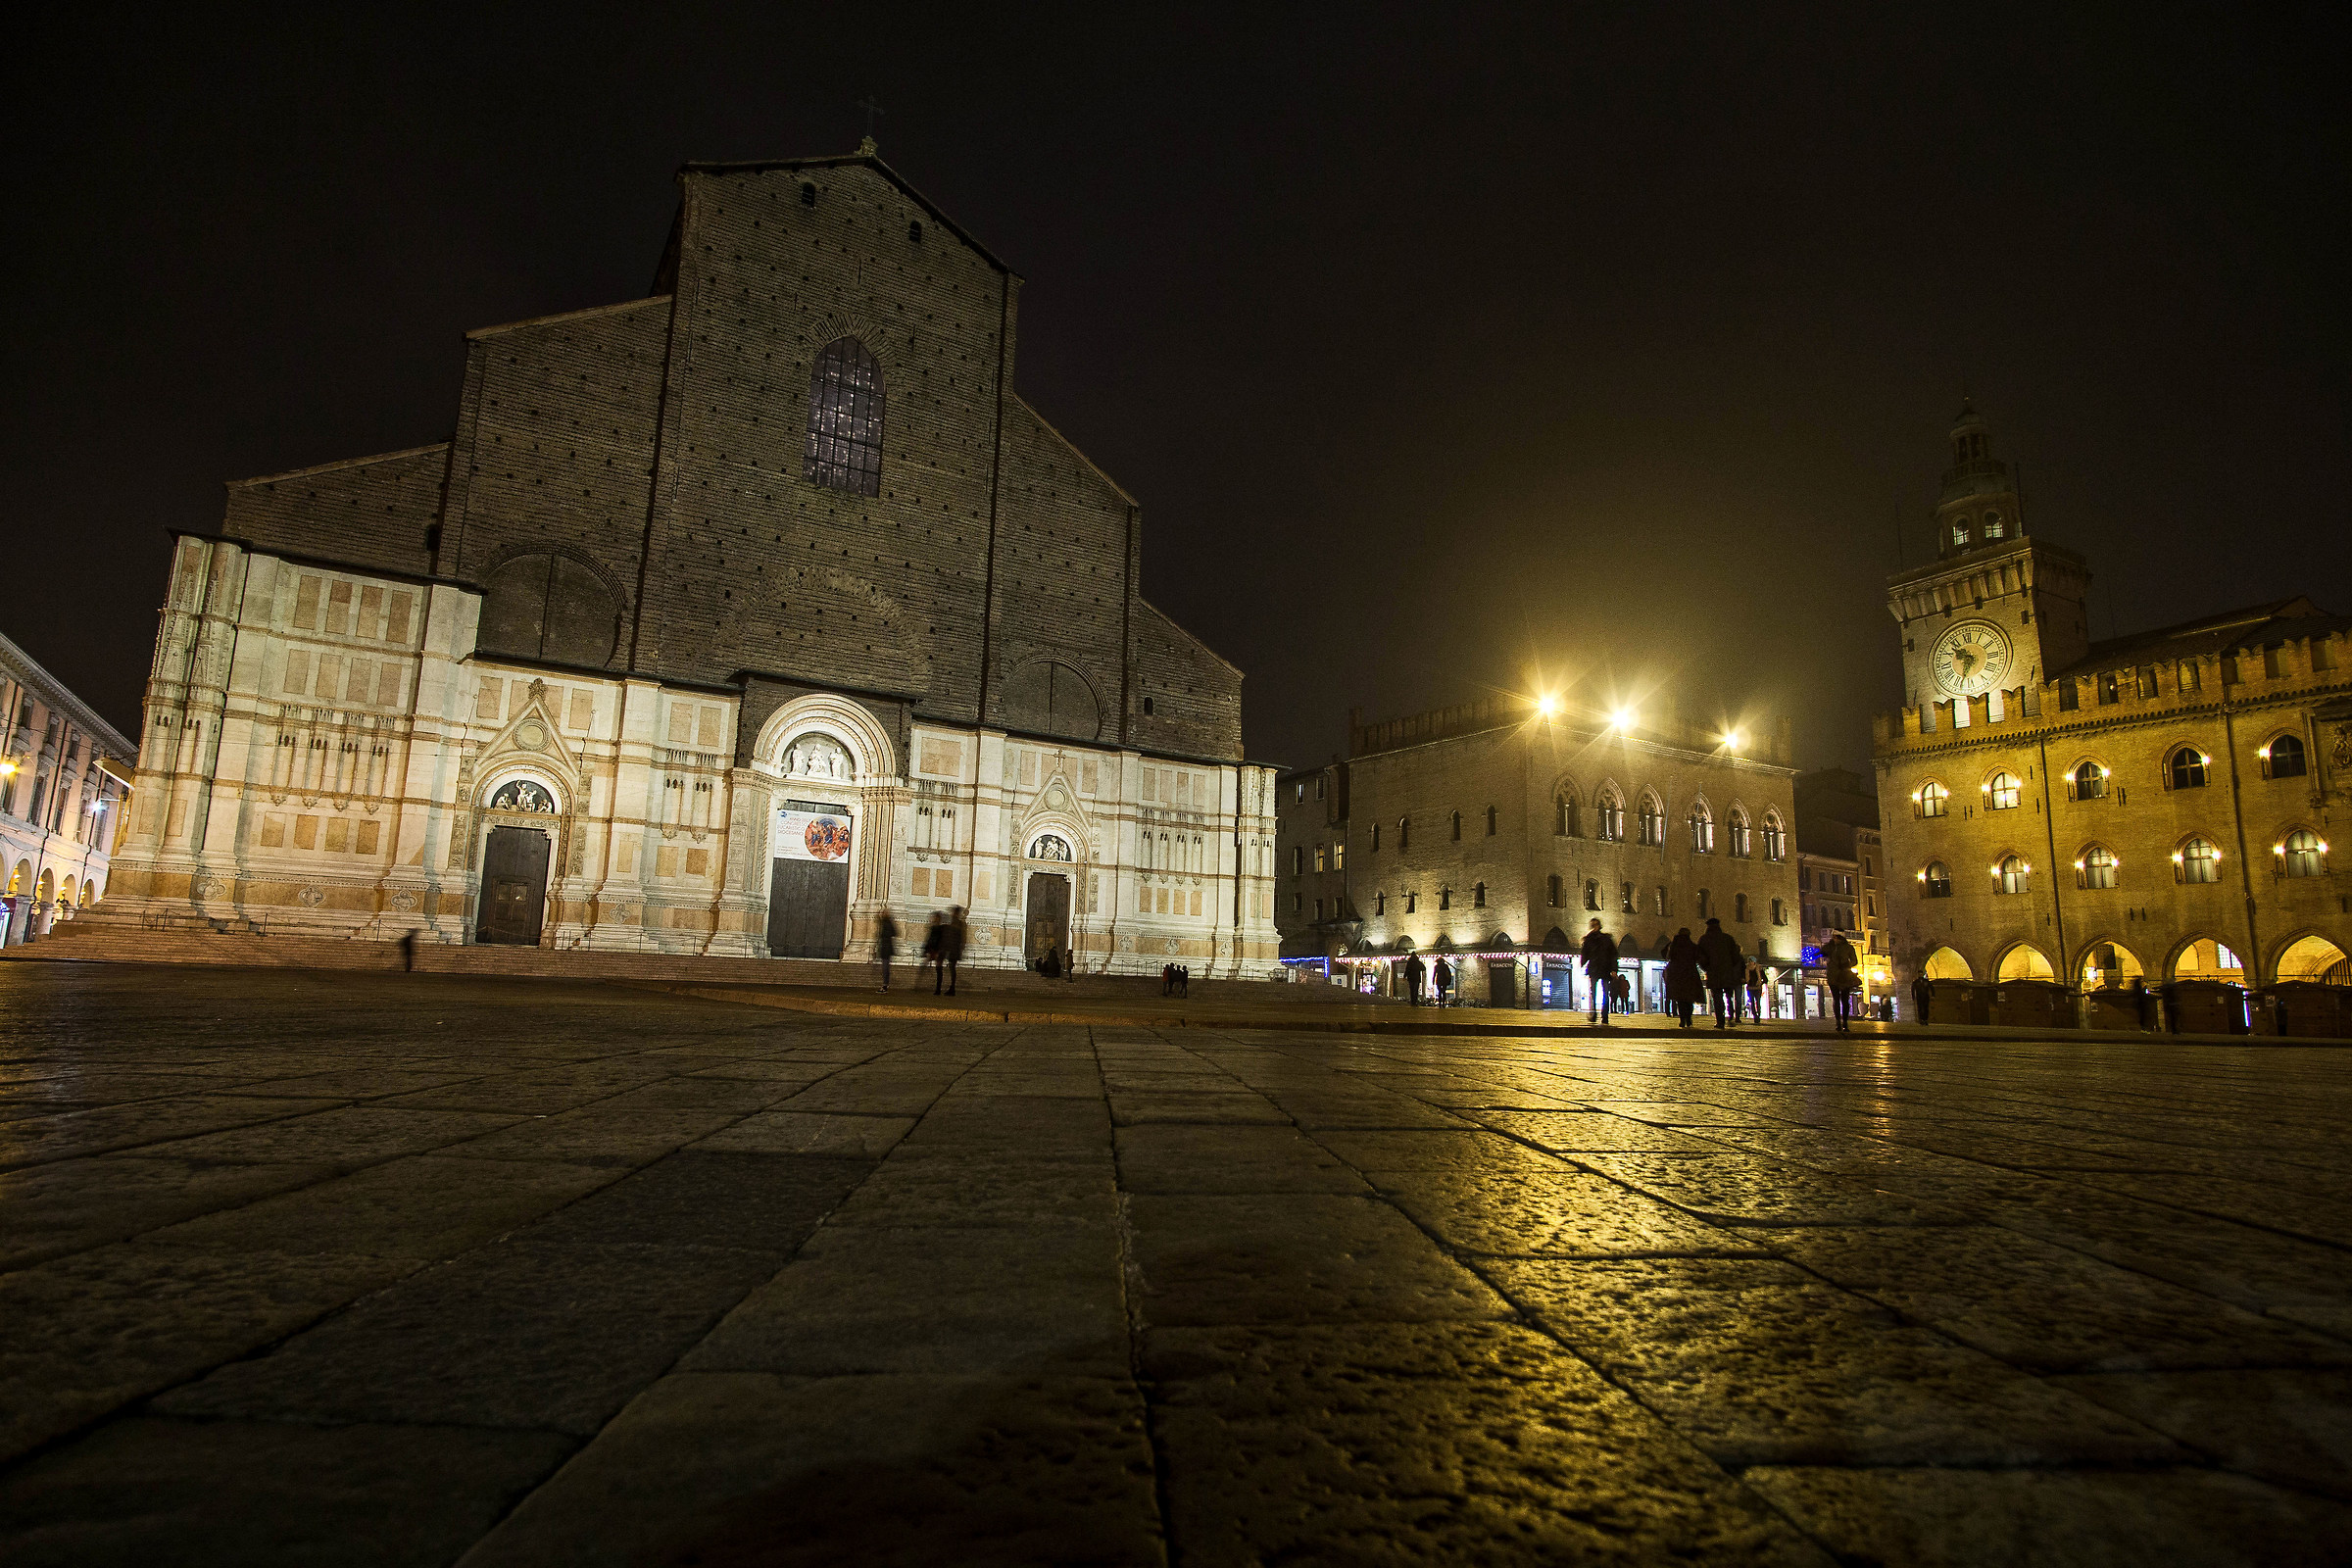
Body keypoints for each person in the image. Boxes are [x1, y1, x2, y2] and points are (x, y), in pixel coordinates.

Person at [1697, 917, 1744, 1029]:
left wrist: (1707, 968)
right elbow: (1736, 956)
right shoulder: (1728, 939)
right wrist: (1730, 967)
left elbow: (1700, 957)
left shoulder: (1704, 939)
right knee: (1729, 995)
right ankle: (1731, 1016)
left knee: (1717, 997)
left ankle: (1720, 1020)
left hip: (1714, 972)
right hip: (1727, 972)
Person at [1580, 919, 1618, 1025]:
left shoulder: (1606, 939)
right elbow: (1585, 953)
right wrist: (1582, 963)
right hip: (1594, 969)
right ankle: (1594, 1013)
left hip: (1604, 969)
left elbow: (1613, 955)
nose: (1595, 927)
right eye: (1594, 925)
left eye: (1597, 925)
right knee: (1593, 993)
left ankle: (1604, 1015)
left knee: (1605, 993)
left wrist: (1614, 969)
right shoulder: (1589, 939)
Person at [1664, 927, 1704, 1028]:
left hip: (1677, 974)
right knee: (1689, 999)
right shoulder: (1692, 946)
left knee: (1680, 999)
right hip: (1690, 974)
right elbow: (1699, 957)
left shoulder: (1674, 946)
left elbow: (1666, 955)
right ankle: (1688, 1018)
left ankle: (1682, 1019)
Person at [1823, 930, 1859, 1032]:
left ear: (1840, 938)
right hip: (1833, 977)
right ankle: (1838, 1022)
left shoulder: (1848, 948)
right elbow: (1821, 953)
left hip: (1844, 977)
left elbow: (1855, 960)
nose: (1834, 939)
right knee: (1836, 999)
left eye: (1836, 937)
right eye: (1833, 937)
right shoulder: (1830, 947)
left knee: (1845, 1000)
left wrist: (1846, 965)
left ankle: (1845, 1023)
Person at [942, 906, 965, 995]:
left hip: (954, 949)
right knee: (952, 968)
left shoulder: (957, 923)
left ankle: (952, 988)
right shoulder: (955, 922)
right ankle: (952, 987)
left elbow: (960, 937)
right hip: (953, 948)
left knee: (952, 968)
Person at [923, 911, 947, 993]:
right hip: (933, 949)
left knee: (939, 969)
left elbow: (940, 941)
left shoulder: (941, 929)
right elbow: (930, 939)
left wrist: (938, 951)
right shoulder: (934, 928)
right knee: (936, 969)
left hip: (938, 951)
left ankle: (938, 988)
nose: (934, 919)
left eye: (936, 918)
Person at [876, 906, 898, 992]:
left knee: (885, 967)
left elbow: (893, 933)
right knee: (885, 967)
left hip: (886, 948)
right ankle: (885, 984)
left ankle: (885, 985)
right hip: (886, 947)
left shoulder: (887, 923)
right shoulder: (886, 923)